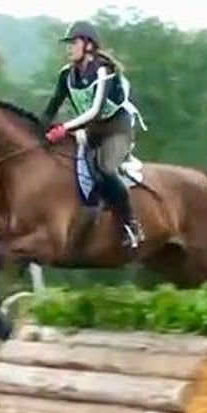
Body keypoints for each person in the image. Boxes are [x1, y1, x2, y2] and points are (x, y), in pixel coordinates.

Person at [40, 20, 146, 250]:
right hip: (92, 131)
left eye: (73, 43)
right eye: (67, 44)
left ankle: (132, 224)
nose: (68, 48)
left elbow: (95, 111)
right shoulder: (66, 75)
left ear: (88, 45)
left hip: (118, 130)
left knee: (105, 167)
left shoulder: (103, 71)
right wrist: (38, 129)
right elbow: (51, 107)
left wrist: (65, 128)